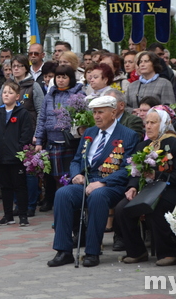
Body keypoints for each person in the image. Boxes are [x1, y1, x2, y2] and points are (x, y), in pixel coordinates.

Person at [46, 95, 140, 268]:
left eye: (100, 112)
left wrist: (103, 183)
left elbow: (128, 168)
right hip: (86, 181)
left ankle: (92, 251)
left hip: (111, 184)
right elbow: (76, 160)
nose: (96, 116)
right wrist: (76, 175)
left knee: (98, 196)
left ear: (113, 113)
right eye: (94, 112)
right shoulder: (89, 133)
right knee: (63, 194)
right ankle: (63, 251)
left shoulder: (129, 135)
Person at [114, 106, 176, 266]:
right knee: (122, 208)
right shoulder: (143, 146)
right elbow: (134, 173)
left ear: (164, 124)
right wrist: (132, 187)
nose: (148, 126)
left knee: (156, 206)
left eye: (153, 123)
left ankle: (169, 253)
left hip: (170, 189)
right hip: (147, 190)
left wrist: (157, 175)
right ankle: (137, 252)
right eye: (146, 122)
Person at [34, 65, 83, 211]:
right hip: (52, 141)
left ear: (71, 79)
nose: (61, 80)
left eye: (64, 77)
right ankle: (58, 205)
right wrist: (38, 140)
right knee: (54, 177)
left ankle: (71, 206)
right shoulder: (50, 95)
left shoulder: (78, 94)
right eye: (58, 77)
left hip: (70, 142)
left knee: (68, 177)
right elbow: (42, 118)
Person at [0, 81, 33, 227]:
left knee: (20, 186)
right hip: (1, 158)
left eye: (10, 92)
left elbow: (26, 133)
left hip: (16, 158)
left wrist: (19, 150)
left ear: (17, 96)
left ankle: (23, 215)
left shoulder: (22, 113)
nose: (6, 95)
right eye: (4, 92)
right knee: (5, 187)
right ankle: (7, 215)